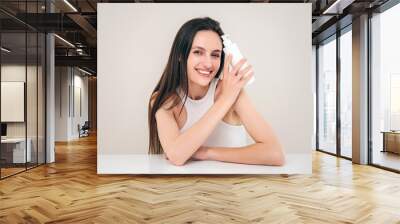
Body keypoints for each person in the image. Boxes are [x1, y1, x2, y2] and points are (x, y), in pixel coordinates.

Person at [148, 17, 285, 166]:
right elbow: (176, 155)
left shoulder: (233, 92)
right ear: (181, 55)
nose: (208, 64)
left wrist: (207, 152)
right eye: (198, 52)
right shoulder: (163, 100)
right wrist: (225, 100)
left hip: (233, 187)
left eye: (215, 55)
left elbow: (275, 154)